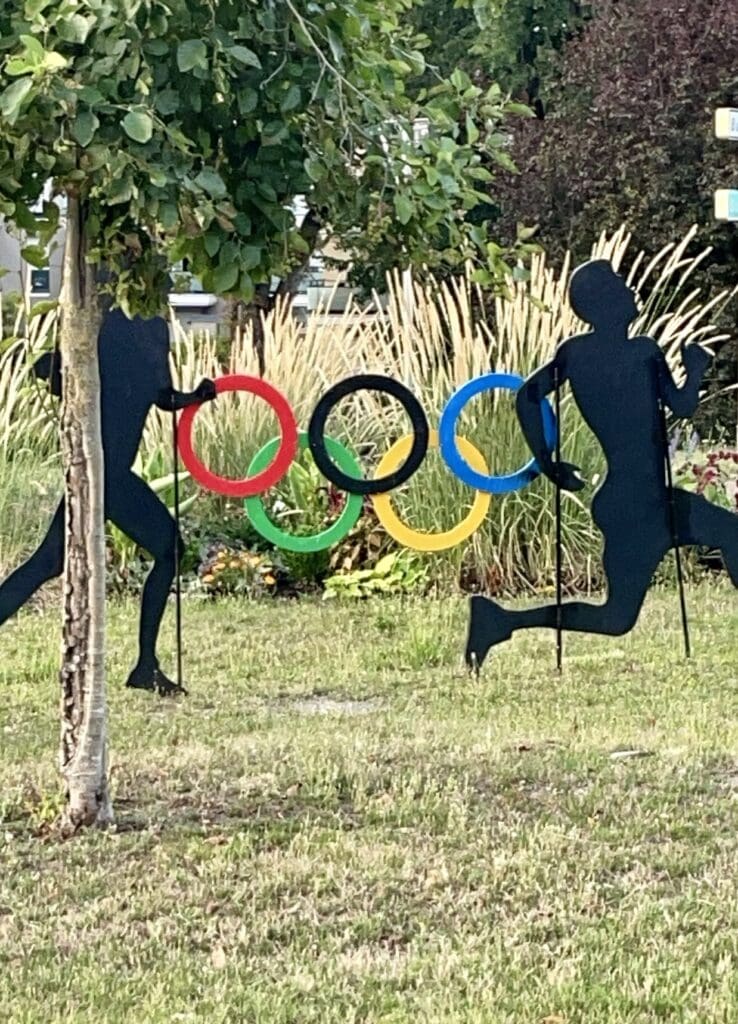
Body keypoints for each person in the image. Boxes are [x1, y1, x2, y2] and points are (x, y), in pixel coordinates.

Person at [466, 259, 737, 670]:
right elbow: (682, 404)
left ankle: (501, 620)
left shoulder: (580, 354)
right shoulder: (642, 351)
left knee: (621, 615)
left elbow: (527, 396)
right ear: (606, 303)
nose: (632, 292)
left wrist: (548, 461)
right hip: (636, 503)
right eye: (622, 287)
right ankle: (499, 619)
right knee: (617, 617)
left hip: (638, 499)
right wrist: (695, 369)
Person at [0, 308, 216, 695]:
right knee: (167, 549)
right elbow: (56, 372)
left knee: (47, 564)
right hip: (107, 472)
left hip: (104, 471)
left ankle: (146, 666)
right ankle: (145, 666)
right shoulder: (120, 324)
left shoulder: (131, 322)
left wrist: (194, 397)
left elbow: (161, 395)